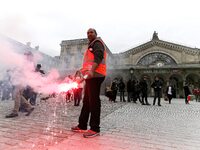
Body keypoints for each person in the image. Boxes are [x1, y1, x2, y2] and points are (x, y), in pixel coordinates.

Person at [71, 28, 106, 138]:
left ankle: (95, 128)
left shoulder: (97, 43)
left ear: (96, 34)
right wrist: (81, 74)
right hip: (91, 76)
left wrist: (91, 71)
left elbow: (99, 57)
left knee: (94, 101)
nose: (89, 34)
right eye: (88, 32)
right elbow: (88, 64)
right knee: (86, 101)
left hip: (96, 75)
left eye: (91, 32)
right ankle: (82, 125)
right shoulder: (90, 46)